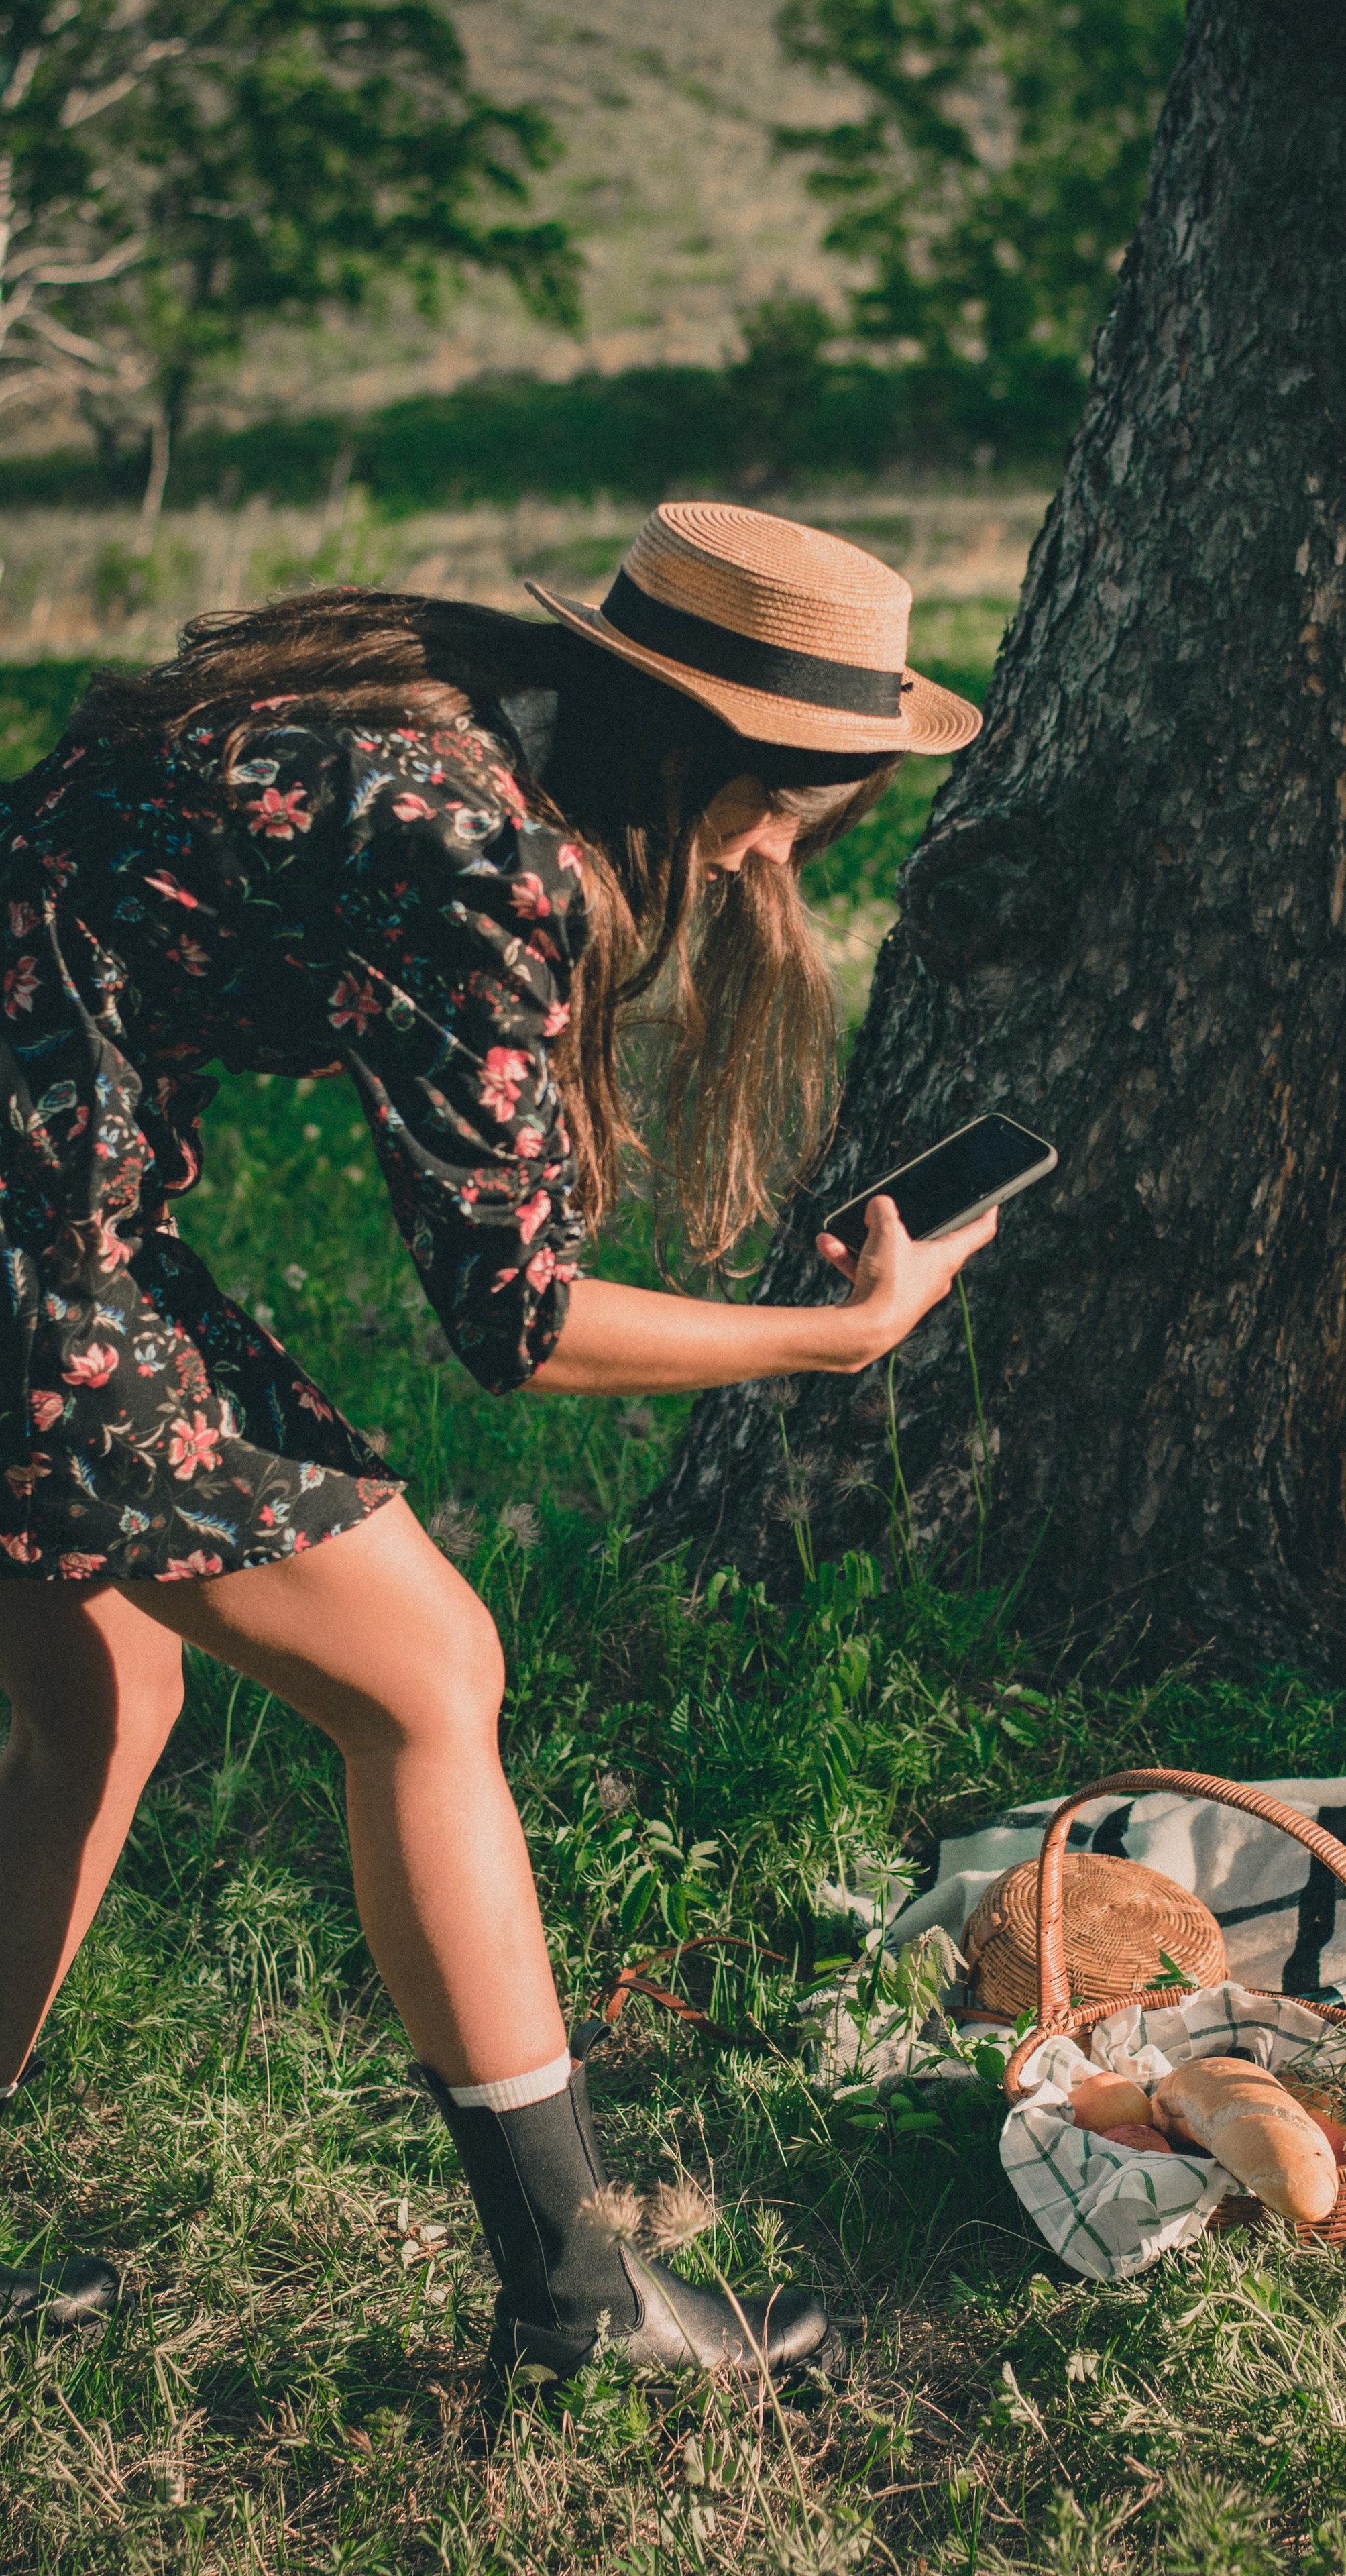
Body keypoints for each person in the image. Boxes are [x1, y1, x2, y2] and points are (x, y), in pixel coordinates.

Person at [0, 502, 990, 2378]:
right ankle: (581, 2297)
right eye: (809, 797)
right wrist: (839, 1335)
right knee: (433, 1674)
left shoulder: (440, 697)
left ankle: (572, 2294)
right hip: (25, 1222)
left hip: (46, 1190)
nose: (792, 846)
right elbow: (516, 1325)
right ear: (740, 765)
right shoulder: (478, 845)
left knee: (103, 1710)